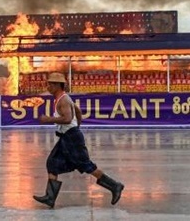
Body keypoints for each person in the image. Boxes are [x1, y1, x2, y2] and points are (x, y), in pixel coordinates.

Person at [33, 72, 124, 208]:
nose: (49, 86)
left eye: (51, 84)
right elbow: (78, 112)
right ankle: (50, 197)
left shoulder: (63, 100)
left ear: (58, 85)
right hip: (68, 135)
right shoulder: (63, 98)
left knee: (86, 165)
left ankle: (115, 186)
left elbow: (68, 118)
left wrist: (49, 119)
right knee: (52, 163)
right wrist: (76, 128)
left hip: (71, 137)